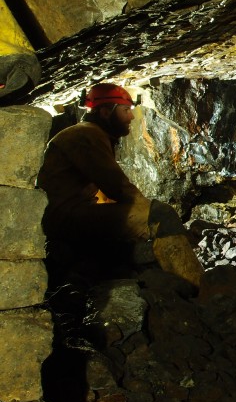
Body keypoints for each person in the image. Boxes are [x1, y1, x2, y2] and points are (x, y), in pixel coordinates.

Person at [37, 83, 204, 287]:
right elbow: (117, 186)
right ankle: (195, 283)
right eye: (126, 110)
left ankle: (155, 279)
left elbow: (104, 192)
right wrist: (150, 214)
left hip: (67, 215)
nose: (131, 117)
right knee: (161, 214)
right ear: (106, 112)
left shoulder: (89, 134)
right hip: (66, 218)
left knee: (140, 227)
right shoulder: (87, 134)